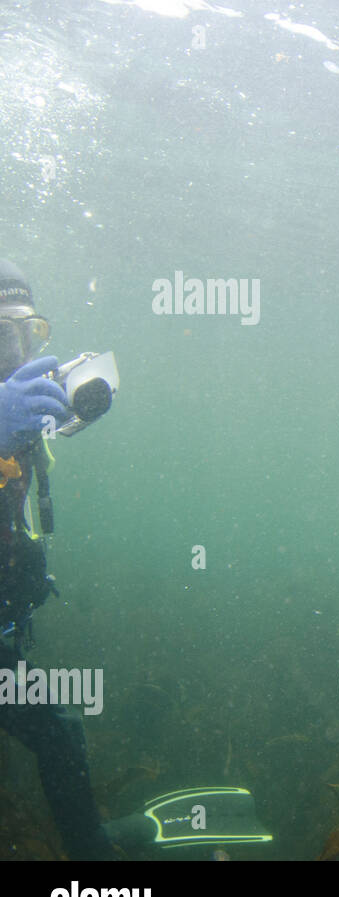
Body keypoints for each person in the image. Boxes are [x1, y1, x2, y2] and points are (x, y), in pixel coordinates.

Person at [0, 258, 113, 859]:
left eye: (28, 332)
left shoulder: (16, 414)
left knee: (59, 733)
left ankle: (93, 868)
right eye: (0, 334)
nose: (16, 350)